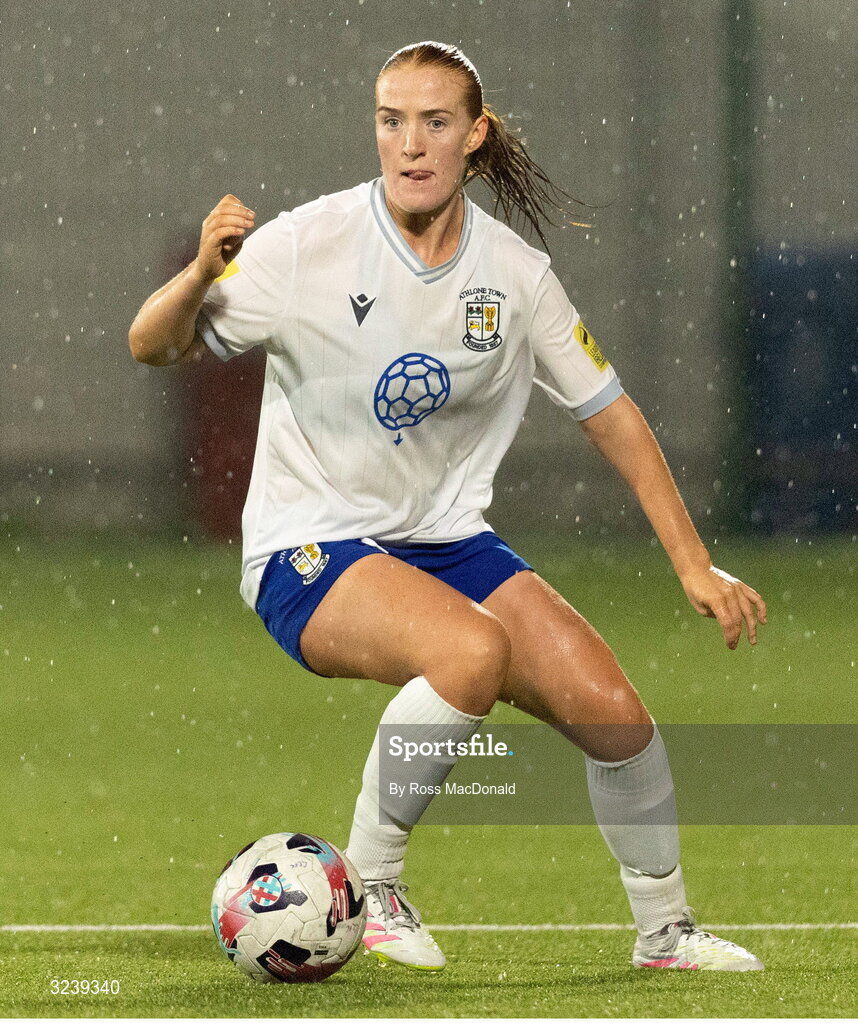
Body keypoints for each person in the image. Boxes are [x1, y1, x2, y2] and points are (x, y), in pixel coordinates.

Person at [129, 41, 767, 973]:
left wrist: (691, 562)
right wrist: (198, 275)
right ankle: (373, 886)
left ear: (475, 136)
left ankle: (664, 933)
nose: (410, 144)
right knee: (471, 651)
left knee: (619, 721)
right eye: (392, 120)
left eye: (434, 123)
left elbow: (612, 415)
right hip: (309, 548)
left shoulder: (512, 275)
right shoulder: (309, 244)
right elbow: (152, 345)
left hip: (445, 543)